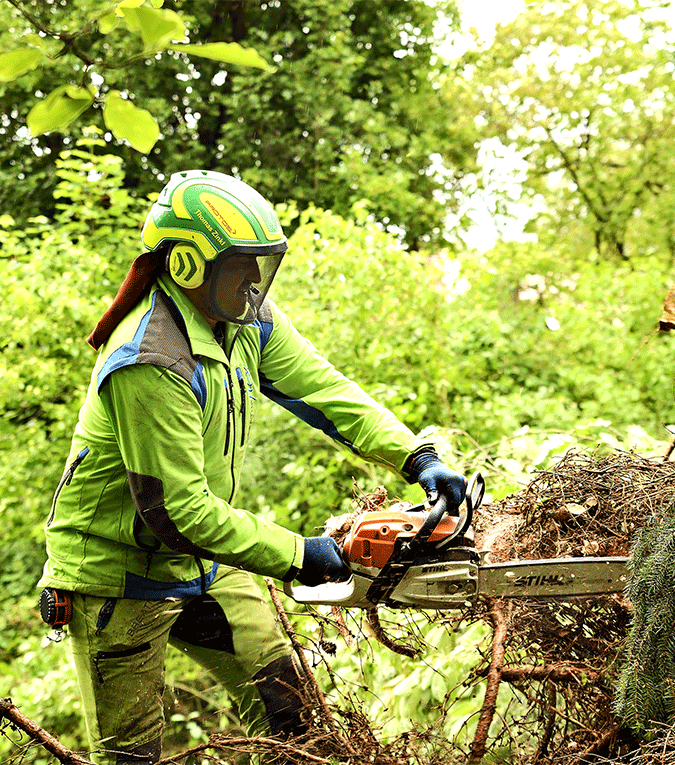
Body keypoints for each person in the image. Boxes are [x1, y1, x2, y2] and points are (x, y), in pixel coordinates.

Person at [38, 170, 467, 765]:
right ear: (189, 265)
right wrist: (302, 554)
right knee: (131, 757)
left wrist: (415, 455)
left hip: (207, 561)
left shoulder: (248, 319)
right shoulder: (151, 359)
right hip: (119, 577)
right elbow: (178, 513)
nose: (256, 283)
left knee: (291, 713)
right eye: (243, 266)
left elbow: (321, 389)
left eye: (263, 266)